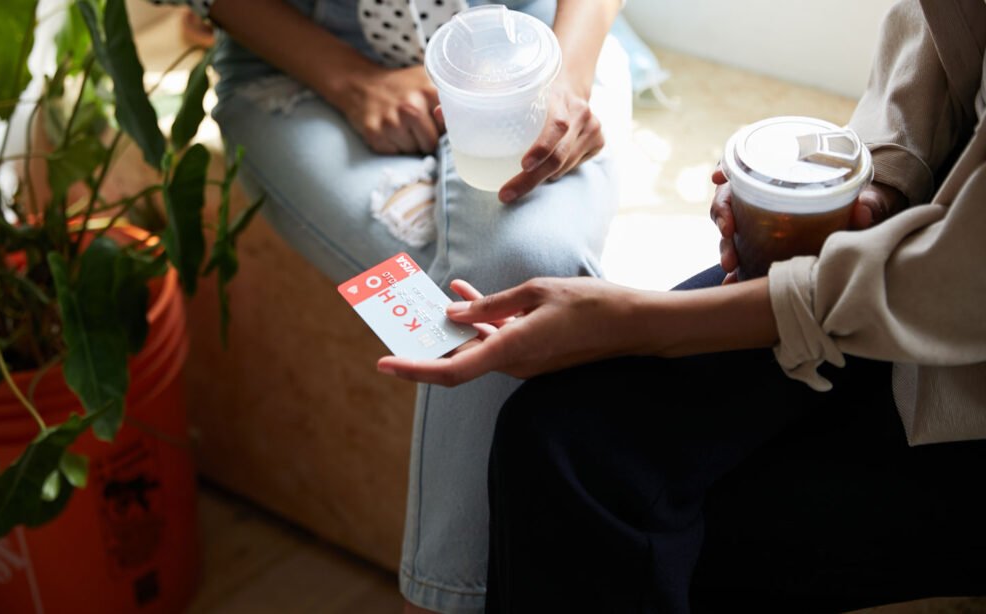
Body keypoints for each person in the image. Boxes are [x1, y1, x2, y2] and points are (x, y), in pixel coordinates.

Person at [377, 0, 986, 610]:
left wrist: (635, 322)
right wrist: (878, 187)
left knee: (605, 492)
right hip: (902, 257)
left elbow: (958, 285)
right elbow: (941, 36)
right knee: (555, 440)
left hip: (961, 377)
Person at [150, 0, 630, 611]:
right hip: (303, 72)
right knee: (485, 302)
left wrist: (565, 78)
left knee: (522, 263)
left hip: (529, 47)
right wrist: (355, 82)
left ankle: (439, 602)